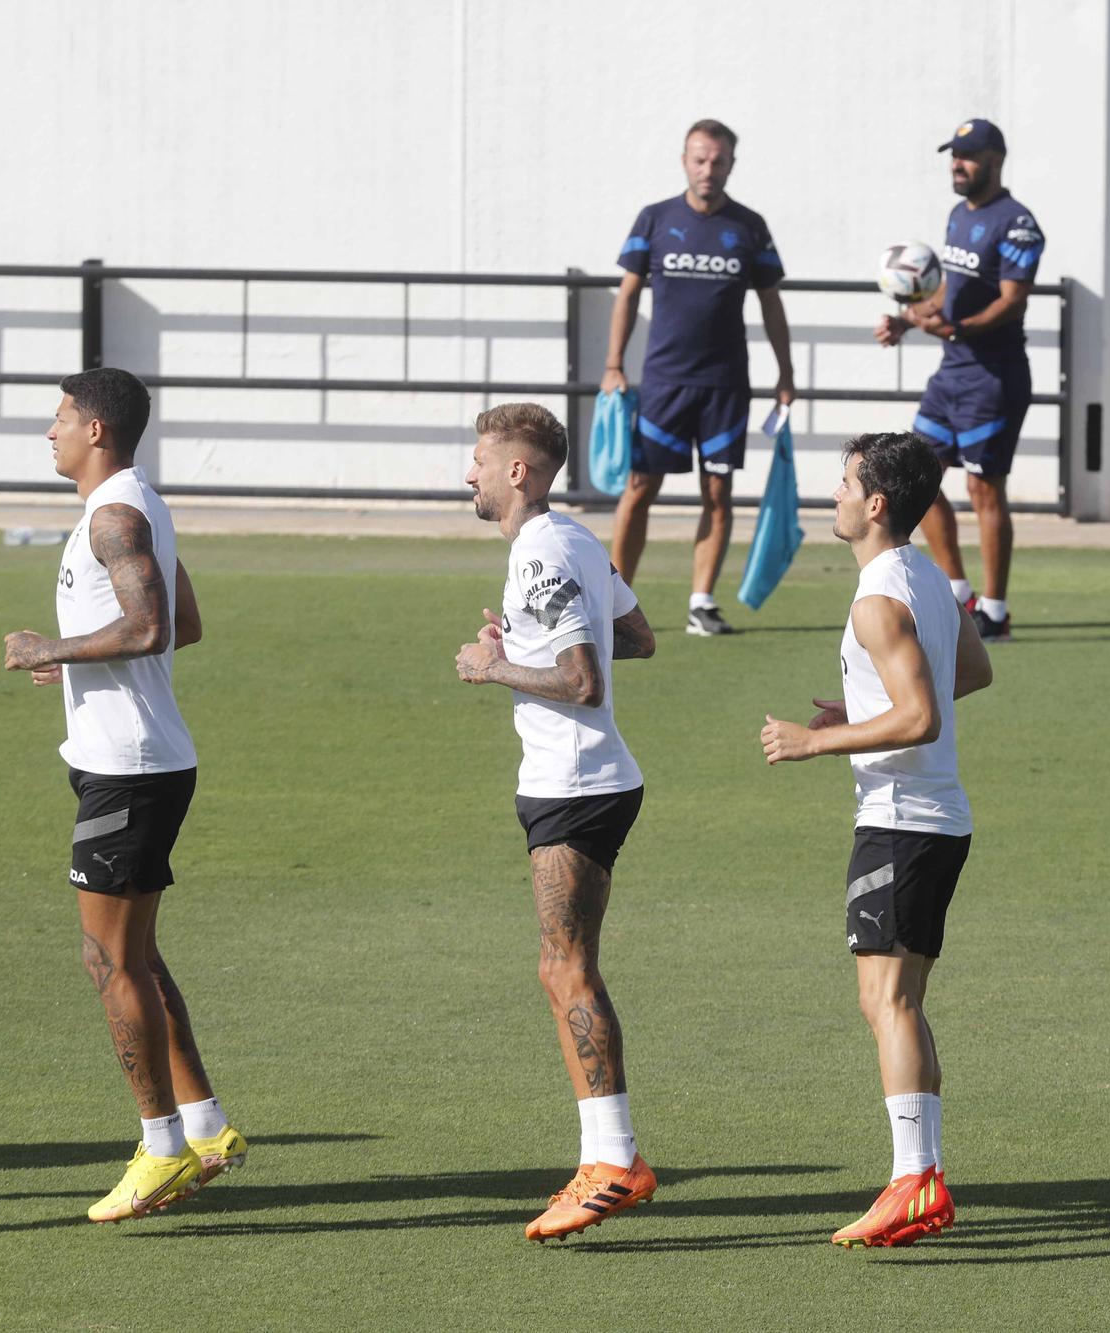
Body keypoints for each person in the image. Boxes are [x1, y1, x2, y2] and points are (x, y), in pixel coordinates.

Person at [1, 368, 245, 1223]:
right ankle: (206, 1127)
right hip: (137, 762)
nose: (50, 432)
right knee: (134, 956)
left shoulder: (114, 514)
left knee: (108, 962)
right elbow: (186, 622)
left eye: (61, 417)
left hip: (129, 770)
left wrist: (51, 648)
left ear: (96, 429)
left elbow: (148, 627)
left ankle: (163, 1149)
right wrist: (67, 653)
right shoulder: (136, 504)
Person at [758, 431, 992, 1248]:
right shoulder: (925, 573)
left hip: (899, 819)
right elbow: (970, 671)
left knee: (885, 1001)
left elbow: (924, 712)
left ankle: (913, 1181)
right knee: (902, 1002)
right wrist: (864, 710)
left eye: (845, 483)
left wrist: (814, 739)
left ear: (876, 503)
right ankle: (920, 1175)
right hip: (938, 819)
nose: (835, 494)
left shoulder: (874, 597)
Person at [455, 403, 660, 1242]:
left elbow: (585, 682)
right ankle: (605, 1154)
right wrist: (528, 641)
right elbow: (637, 638)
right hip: (583, 780)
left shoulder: (540, 548)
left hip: (575, 783)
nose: (466, 473)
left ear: (517, 470)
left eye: (478, 459)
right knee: (559, 966)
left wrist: (494, 665)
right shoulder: (571, 538)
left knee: (566, 967)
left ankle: (614, 1162)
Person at [604, 118, 794, 637]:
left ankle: (701, 603)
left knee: (718, 491)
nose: (708, 169)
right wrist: (613, 365)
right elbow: (627, 295)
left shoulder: (749, 226)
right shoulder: (655, 219)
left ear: (732, 164)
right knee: (641, 488)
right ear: (685, 160)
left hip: (725, 385)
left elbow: (771, 303)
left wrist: (786, 373)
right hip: (664, 382)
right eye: (699, 158)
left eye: (718, 160)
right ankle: (614, 602)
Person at [874, 118, 1044, 641]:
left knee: (984, 489)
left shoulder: (1017, 223)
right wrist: (909, 318)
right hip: (952, 374)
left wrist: (958, 328)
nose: (957, 164)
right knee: (916, 478)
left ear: (995, 159)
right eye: (953, 155)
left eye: (968, 156)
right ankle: (958, 592)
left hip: (993, 377)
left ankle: (994, 609)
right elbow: (947, 293)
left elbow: (1012, 300)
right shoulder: (957, 215)